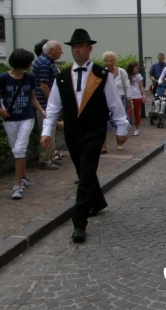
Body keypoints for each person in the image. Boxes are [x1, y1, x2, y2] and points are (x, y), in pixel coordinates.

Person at [41, 29, 129, 242]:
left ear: (90, 49)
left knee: (86, 173)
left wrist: (121, 129)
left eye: (80, 46)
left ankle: (79, 223)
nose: (76, 50)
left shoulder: (101, 75)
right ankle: (98, 202)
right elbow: (53, 107)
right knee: (84, 170)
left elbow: (114, 103)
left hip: (94, 130)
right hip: (72, 131)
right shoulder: (61, 77)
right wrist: (46, 131)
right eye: (73, 47)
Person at [0, 49, 46, 199]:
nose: (31, 64)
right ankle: (24, 177)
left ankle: (17, 185)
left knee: (19, 149)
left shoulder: (30, 78)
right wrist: (1, 111)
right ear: (23, 63)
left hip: (27, 117)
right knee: (16, 150)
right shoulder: (3, 78)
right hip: (10, 119)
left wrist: (43, 112)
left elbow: (32, 98)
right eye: (29, 62)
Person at [32, 40, 63, 170]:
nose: (61, 51)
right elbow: (44, 86)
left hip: (45, 103)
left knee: (50, 130)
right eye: (59, 49)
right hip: (45, 104)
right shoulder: (45, 63)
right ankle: (45, 160)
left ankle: (49, 157)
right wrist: (52, 102)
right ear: (51, 51)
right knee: (47, 130)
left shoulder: (45, 61)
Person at [102, 51, 131, 152]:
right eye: (107, 61)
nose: (109, 63)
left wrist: (128, 99)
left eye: (111, 60)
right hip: (107, 100)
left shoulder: (121, 72)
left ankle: (119, 143)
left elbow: (127, 85)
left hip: (120, 98)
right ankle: (103, 145)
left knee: (119, 121)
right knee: (104, 122)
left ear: (114, 61)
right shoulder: (102, 73)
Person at [127, 61, 146, 135]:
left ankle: (137, 128)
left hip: (137, 95)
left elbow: (141, 86)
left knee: (137, 112)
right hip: (128, 95)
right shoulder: (126, 76)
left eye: (138, 68)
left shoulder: (138, 76)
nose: (137, 70)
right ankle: (126, 126)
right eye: (136, 68)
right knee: (128, 111)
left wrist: (143, 95)